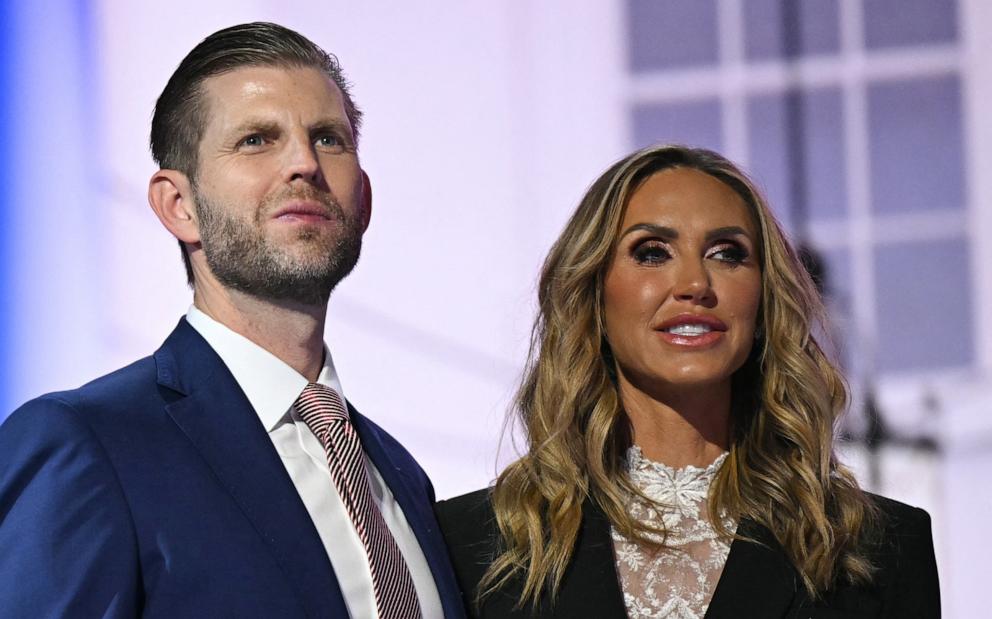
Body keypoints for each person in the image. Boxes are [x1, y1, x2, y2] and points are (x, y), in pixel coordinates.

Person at [0, 22, 463, 618]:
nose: (304, 163)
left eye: (327, 139)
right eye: (255, 140)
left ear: (364, 201)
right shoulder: (89, 444)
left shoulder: (399, 473)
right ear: (179, 205)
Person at [435, 145, 940, 618]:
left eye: (727, 253)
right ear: (591, 294)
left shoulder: (878, 549)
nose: (696, 284)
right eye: (652, 252)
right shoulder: (471, 545)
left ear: (764, 303)